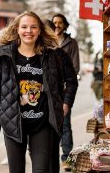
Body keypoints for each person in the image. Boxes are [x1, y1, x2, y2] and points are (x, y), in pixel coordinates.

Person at [0, 11, 65, 173]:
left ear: (40, 30)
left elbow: (58, 85)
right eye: (24, 27)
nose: (29, 31)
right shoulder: (4, 56)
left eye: (33, 27)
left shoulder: (51, 56)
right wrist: (1, 112)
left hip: (42, 124)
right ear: (17, 30)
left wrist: (55, 111)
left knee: (41, 170)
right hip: (13, 122)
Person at [45, 19, 78, 173]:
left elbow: (72, 78)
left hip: (58, 104)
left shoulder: (64, 50)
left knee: (63, 130)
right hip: (34, 111)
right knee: (41, 153)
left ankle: (66, 157)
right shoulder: (26, 53)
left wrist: (66, 103)